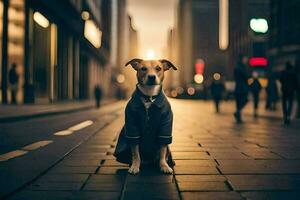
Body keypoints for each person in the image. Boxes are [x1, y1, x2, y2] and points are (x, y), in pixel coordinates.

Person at [233, 54, 250, 123]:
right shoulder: (241, 67)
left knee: (238, 102)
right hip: (242, 87)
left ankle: (238, 115)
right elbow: (246, 76)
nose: (246, 60)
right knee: (244, 100)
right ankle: (238, 113)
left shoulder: (237, 67)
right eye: (245, 59)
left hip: (238, 87)